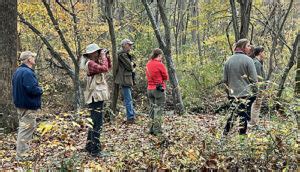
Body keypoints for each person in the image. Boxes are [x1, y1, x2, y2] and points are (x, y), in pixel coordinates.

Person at [12, 51, 43, 161]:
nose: (34, 58)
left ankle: (22, 155)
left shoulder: (18, 71)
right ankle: (22, 156)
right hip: (28, 106)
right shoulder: (27, 72)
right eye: (32, 57)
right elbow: (32, 89)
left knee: (24, 130)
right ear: (29, 59)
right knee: (25, 131)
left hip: (21, 106)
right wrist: (41, 90)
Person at [223, 39, 258, 135]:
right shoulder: (249, 60)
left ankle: (225, 135)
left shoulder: (228, 61)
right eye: (248, 45)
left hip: (233, 94)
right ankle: (242, 138)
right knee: (243, 116)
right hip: (246, 94)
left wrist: (228, 94)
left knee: (232, 115)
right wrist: (256, 93)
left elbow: (225, 81)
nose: (250, 47)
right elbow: (254, 79)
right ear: (242, 47)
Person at [83, 43, 111, 157]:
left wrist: (107, 57)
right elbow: (104, 68)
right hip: (95, 96)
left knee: (93, 122)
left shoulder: (94, 63)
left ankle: (89, 146)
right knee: (97, 124)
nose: (99, 53)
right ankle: (95, 150)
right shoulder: (90, 64)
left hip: (96, 96)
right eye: (97, 51)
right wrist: (103, 57)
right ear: (92, 54)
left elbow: (107, 67)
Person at [145, 48, 168, 136]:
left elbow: (147, 75)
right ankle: (157, 130)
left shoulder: (148, 64)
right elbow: (166, 77)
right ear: (159, 55)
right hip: (158, 90)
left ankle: (151, 128)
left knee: (152, 109)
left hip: (149, 89)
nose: (161, 58)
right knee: (158, 109)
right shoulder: (159, 64)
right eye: (161, 56)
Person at [115, 38, 136, 124]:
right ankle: (130, 118)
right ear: (124, 45)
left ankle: (131, 116)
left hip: (126, 78)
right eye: (129, 45)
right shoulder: (122, 54)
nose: (130, 46)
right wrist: (131, 64)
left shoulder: (124, 54)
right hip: (125, 79)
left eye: (131, 45)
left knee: (129, 98)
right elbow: (130, 67)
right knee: (128, 99)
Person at [250, 46, 266, 125]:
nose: (264, 54)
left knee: (256, 105)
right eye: (263, 52)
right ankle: (253, 124)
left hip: (258, 88)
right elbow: (257, 78)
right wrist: (258, 89)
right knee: (256, 105)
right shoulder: (256, 63)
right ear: (260, 53)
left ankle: (254, 122)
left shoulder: (258, 62)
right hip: (257, 89)